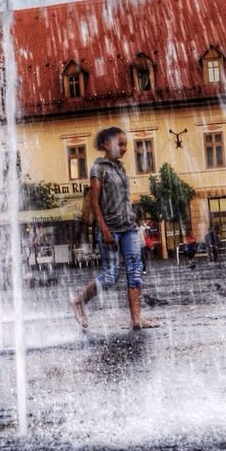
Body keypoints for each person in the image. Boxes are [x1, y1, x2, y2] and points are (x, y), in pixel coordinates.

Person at [69, 127, 158, 332]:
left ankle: (136, 319)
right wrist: (103, 228)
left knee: (135, 271)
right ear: (106, 144)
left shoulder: (120, 168)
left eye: (125, 144)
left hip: (129, 228)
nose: (124, 148)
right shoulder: (98, 169)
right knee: (110, 275)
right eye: (120, 144)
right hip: (110, 228)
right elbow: (94, 201)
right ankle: (78, 301)